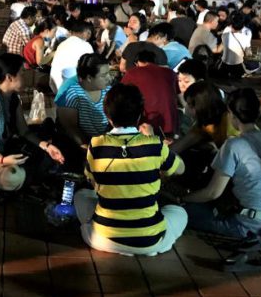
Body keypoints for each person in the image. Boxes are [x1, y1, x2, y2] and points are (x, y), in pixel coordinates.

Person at [75, 84, 187, 256]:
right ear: (140, 115)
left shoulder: (96, 144)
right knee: (180, 213)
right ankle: (147, 247)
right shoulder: (154, 144)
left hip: (104, 239)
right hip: (149, 241)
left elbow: (92, 181)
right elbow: (180, 169)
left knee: (81, 196)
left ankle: (109, 238)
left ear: (108, 116)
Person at [179, 88, 261, 239]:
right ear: (258, 112)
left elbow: (212, 192)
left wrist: (182, 199)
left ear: (231, 115)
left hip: (248, 225)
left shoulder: (234, 145)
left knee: (184, 211)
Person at [0, 54, 65, 191]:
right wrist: (2, 160)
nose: (26, 76)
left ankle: (19, 181)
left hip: (2, 152)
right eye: (22, 72)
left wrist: (47, 146)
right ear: (9, 77)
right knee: (11, 177)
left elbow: (24, 131)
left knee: (44, 147)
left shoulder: (13, 97)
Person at [55, 53, 112, 151]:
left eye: (109, 73)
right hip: (83, 147)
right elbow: (71, 128)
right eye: (103, 75)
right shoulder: (73, 94)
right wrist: (88, 148)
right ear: (89, 78)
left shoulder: (109, 91)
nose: (109, 78)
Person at [120, 49, 180, 137]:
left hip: (147, 126)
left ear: (137, 63)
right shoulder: (170, 72)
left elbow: (119, 95)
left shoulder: (132, 73)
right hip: (171, 126)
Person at [49, 19, 94, 92]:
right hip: (72, 90)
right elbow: (91, 68)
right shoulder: (86, 46)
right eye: (89, 33)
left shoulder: (62, 44)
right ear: (86, 33)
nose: (89, 36)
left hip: (55, 86)